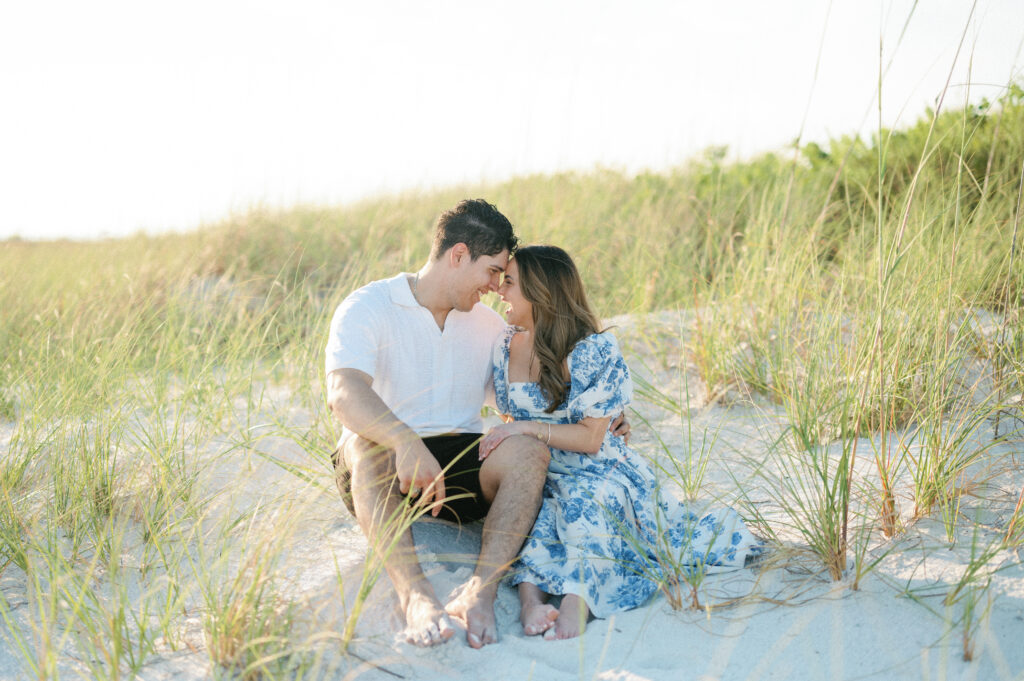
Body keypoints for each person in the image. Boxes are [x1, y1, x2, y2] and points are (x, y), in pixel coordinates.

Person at [325, 200, 629, 649]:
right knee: (361, 442)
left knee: (529, 452)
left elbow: (535, 397)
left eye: (504, 277)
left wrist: (611, 416)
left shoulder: (490, 326)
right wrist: (403, 439)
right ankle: (417, 597)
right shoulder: (370, 306)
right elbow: (344, 392)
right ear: (458, 255)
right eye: (492, 272)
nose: (496, 286)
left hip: (462, 468)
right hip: (386, 466)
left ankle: (479, 593)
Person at [479, 245, 763, 640]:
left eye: (509, 282)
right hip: (544, 464)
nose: (500, 290)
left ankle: (578, 603)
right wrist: (518, 430)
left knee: (589, 503)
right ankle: (532, 603)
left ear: (541, 290)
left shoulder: (591, 349)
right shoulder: (505, 345)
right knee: (539, 514)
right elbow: (513, 416)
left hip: (598, 466)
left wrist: (526, 428)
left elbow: (592, 439)